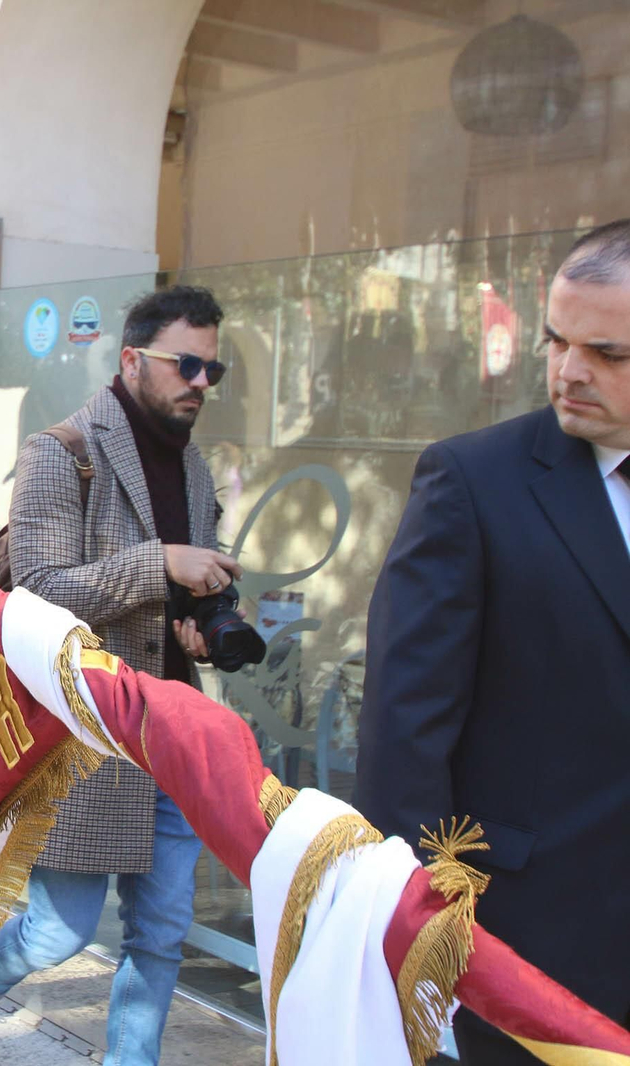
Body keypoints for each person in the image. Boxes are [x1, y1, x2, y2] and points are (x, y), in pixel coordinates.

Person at [0, 285, 241, 1066]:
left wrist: (200, 631)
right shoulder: (62, 450)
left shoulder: (197, 468)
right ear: (133, 358)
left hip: (170, 728)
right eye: (187, 365)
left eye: (214, 369)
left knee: (163, 929)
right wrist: (160, 563)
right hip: (87, 733)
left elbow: (169, 599)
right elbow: (38, 591)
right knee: (59, 929)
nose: (201, 383)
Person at [357, 219, 630, 1063]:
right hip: (526, 938)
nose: (569, 370)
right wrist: (425, 935)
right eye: (555, 340)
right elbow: (406, 734)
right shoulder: (472, 481)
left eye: (608, 353)